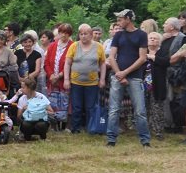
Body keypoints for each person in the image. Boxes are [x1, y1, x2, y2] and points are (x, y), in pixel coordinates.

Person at [106, 9, 150, 147]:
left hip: (135, 77)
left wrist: (125, 72)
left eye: (120, 20)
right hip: (118, 77)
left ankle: (145, 140)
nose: (118, 23)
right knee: (114, 109)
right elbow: (111, 57)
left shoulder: (142, 35)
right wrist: (119, 73)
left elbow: (142, 58)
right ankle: (111, 139)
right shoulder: (118, 35)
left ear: (128, 19)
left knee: (140, 110)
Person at [63, 24, 106, 134]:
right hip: (75, 82)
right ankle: (75, 128)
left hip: (92, 83)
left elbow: (102, 64)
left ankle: (91, 127)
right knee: (76, 107)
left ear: (91, 35)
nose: (83, 36)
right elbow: (67, 63)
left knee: (90, 107)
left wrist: (102, 79)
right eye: (81, 34)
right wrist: (66, 79)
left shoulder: (99, 46)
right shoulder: (74, 46)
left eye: (85, 34)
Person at [44, 23, 74, 129]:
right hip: (52, 80)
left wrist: (60, 75)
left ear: (69, 34)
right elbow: (46, 62)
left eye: (66, 33)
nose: (63, 35)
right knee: (53, 102)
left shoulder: (72, 45)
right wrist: (51, 75)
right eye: (61, 32)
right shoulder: (52, 45)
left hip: (64, 80)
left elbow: (71, 64)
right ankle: (54, 124)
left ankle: (65, 125)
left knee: (65, 102)